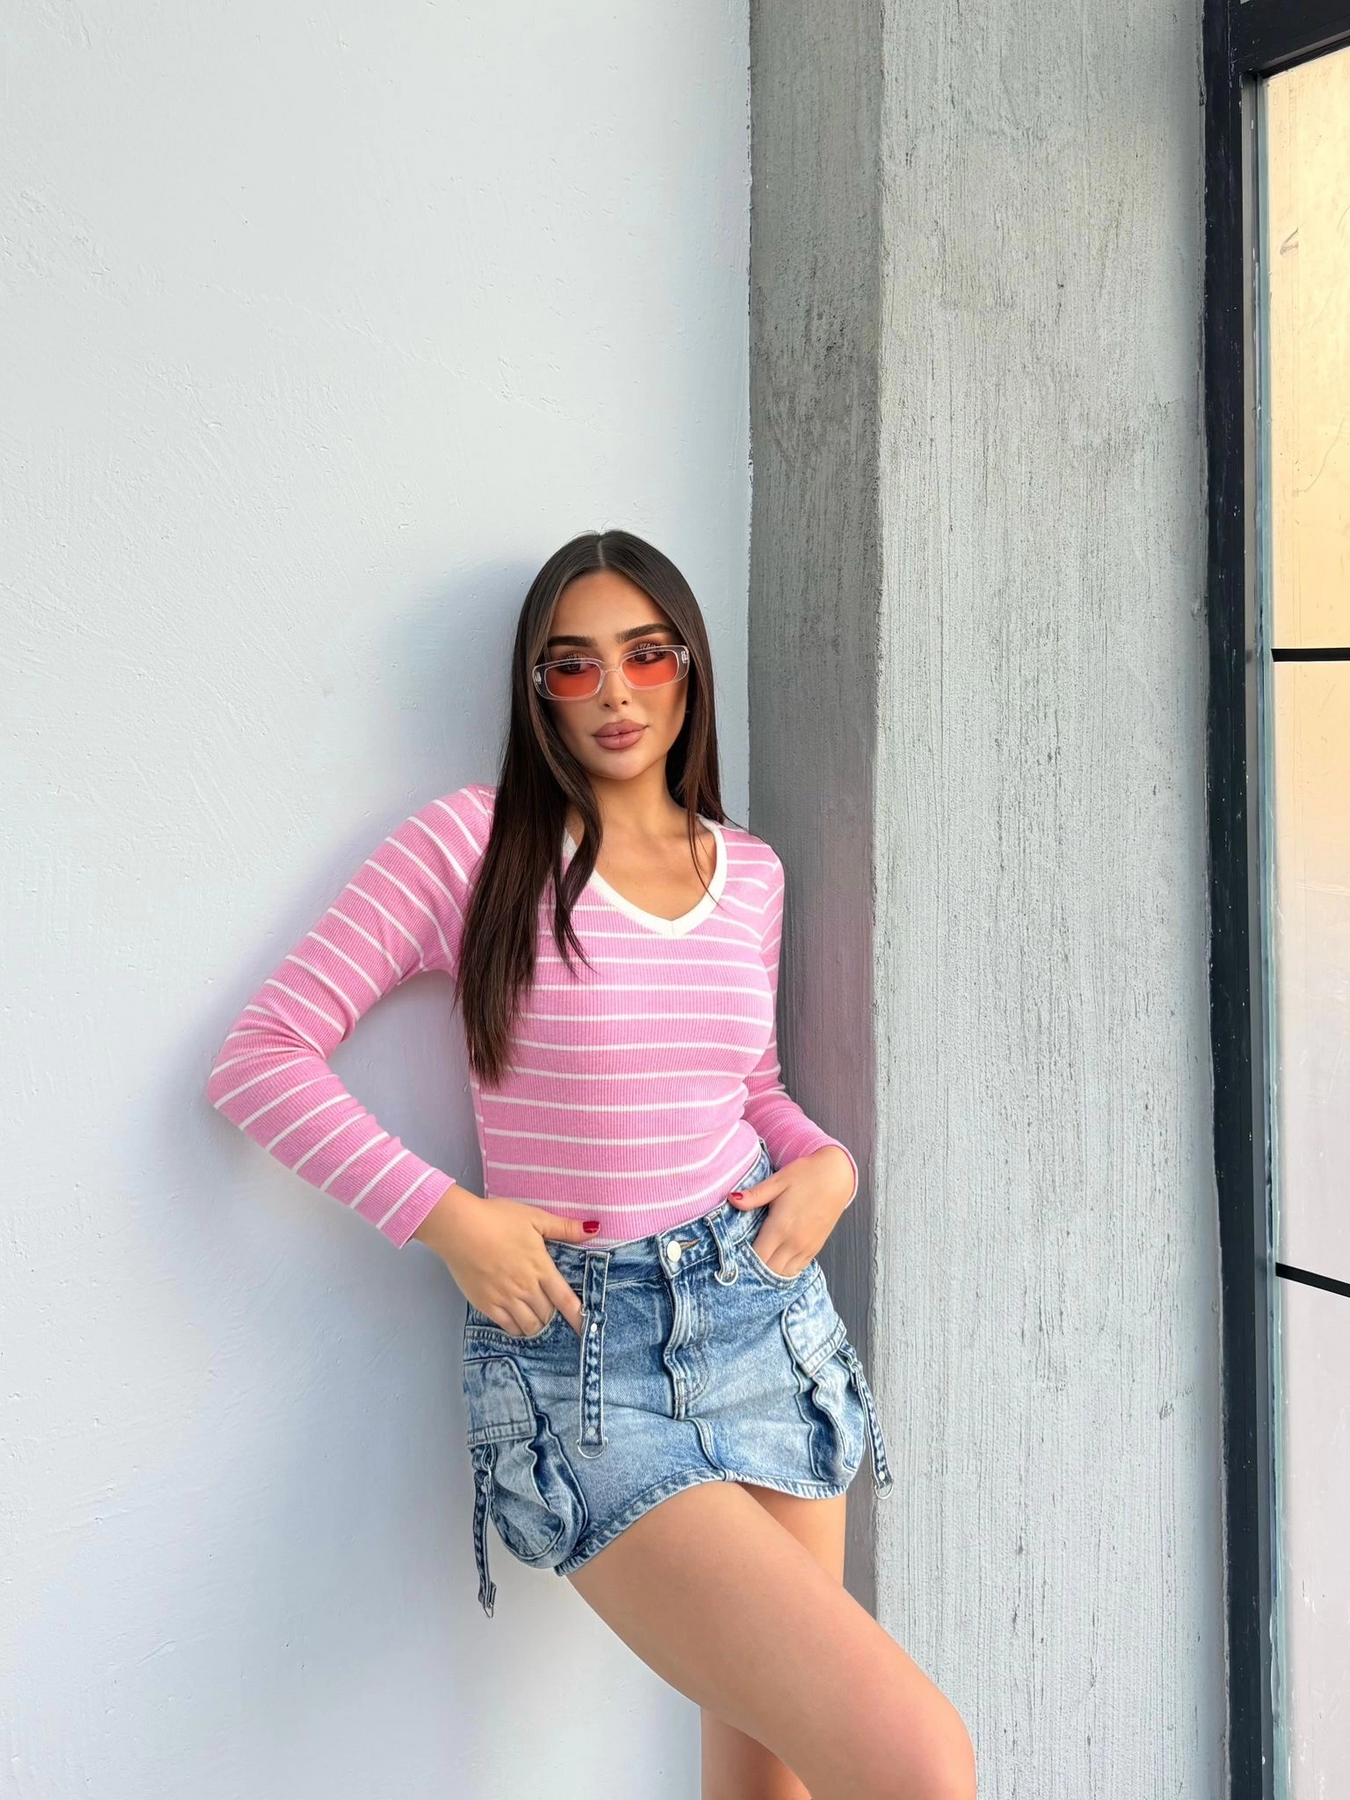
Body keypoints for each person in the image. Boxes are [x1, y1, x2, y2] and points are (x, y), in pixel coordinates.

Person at [206, 529, 976, 1799]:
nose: (615, 694)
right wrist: (451, 1219)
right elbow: (263, 1057)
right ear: (539, 690)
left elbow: (749, 1085)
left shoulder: (751, 873)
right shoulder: (471, 846)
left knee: (767, 1782)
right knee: (919, 1763)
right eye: (574, 666)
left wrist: (828, 1164)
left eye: (646, 656)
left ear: (689, 669)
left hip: (765, 1321)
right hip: (586, 1359)